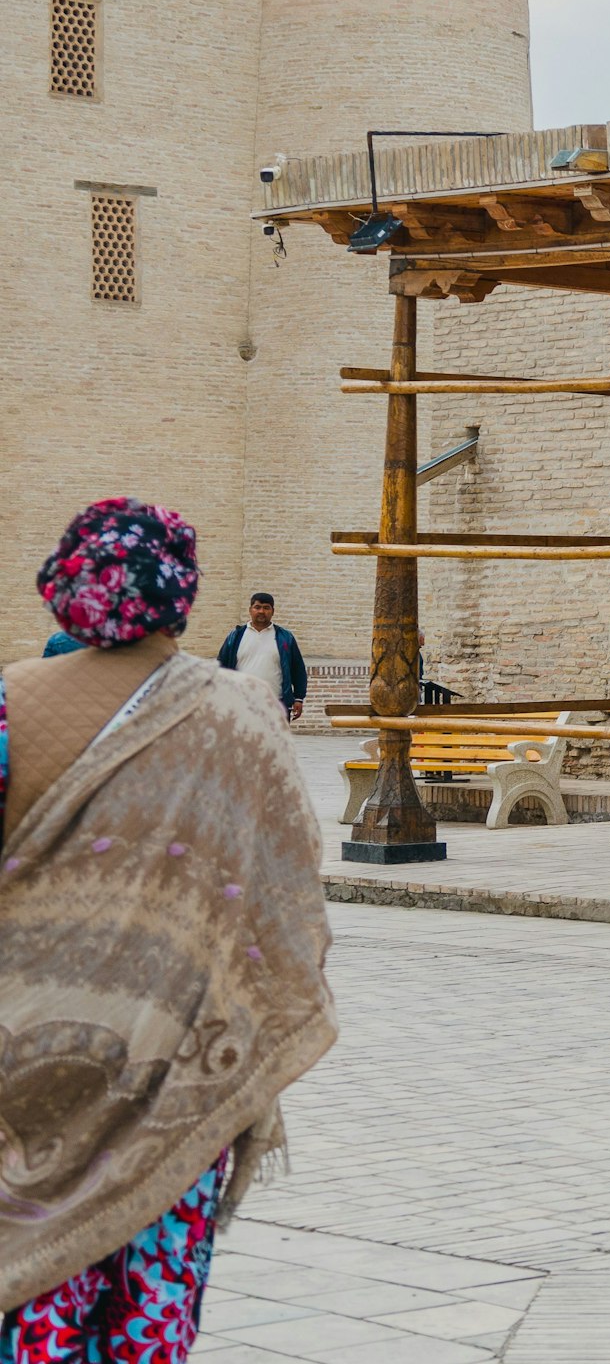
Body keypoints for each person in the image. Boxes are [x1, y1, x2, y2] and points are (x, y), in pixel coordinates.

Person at [0, 498, 335, 1359]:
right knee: (153, 1315)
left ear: (63, 588)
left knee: (36, 1298)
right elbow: (287, 886)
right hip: (181, 1077)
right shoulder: (241, 717)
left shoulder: (8, 702)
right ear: (181, 596)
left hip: (24, 1071)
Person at [216, 592, 308, 722]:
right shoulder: (236, 636)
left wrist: (298, 698)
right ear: (250, 610)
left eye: (266, 607)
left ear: (272, 611)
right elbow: (221, 667)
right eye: (257, 607)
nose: (261, 611)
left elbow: (297, 669)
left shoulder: (285, 638)